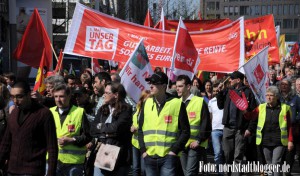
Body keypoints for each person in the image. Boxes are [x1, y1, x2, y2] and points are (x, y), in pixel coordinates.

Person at [0, 81, 58, 175]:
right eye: (12, 97)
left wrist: (50, 173)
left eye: (19, 96)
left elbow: (52, 148)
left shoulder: (44, 113)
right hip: (11, 171)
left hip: (33, 171)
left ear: (28, 95)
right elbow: (5, 144)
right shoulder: (13, 114)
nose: (15, 100)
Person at [138, 72, 190, 176]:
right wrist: (143, 151)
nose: (151, 86)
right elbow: (140, 130)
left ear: (164, 86)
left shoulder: (177, 103)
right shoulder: (147, 103)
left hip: (168, 157)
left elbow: (186, 131)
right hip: (149, 156)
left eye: (154, 83)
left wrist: (174, 151)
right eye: (150, 83)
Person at [244, 86, 294, 176]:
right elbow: (251, 116)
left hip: (279, 141)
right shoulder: (261, 107)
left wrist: (290, 141)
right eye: (267, 95)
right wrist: (244, 111)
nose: (268, 97)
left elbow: (289, 126)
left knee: (276, 163)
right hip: (265, 141)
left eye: (271, 95)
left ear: (276, 97)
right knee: (269, 164)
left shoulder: (285, 108)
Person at [216, 71, 257, 176]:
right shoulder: (228, 91)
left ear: (238, 80)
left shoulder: (248, 92)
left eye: (231, 79)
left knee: (238, 155)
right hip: (228, 128)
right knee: (227, 154)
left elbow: (253, 113)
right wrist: (219, 93)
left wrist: (250, 129)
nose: (229, 80)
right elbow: (220, 106)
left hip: (240, 129)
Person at [50, 83, 91, 175]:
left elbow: (88, 136)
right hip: (53, 161)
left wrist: (72, 140)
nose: (58, 100)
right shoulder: (50, 112)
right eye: (56, 96)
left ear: (69, 96)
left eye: (61, 96)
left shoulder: (79, 112)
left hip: (73, 163)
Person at [94, 82, 132, 176]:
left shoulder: (126, 109)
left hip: (119, 156)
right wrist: (106, 132)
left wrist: (101, 127)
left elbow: (117, 128)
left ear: (116, 95)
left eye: (107, 93)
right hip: (102, 153)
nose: (104, 95)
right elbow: (93, 129)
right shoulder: (103, 109)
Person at [176, 75, 211, 176]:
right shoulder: (176, 103)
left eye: (180, 86)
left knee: (189, 173)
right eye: (177, 86)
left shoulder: (199, 102)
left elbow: (206, 124)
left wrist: (199, 140)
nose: (177, 88)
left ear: (188, 87)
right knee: (186, 172)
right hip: (181, 144)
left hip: (195, 144)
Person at [131, 90, 151, 176]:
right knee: (135, 168)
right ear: (142, 99)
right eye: (147, 99)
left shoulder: (151, 111)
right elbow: (134, 121)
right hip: (135, 142)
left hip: (145, 143)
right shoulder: (137, 109)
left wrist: (138, 128)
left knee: (143, 170)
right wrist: (131, 127)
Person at [208, 83, 224, 176]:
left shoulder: (225, 100)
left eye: (217, 91)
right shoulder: (211, 102)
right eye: (214, 91)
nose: (216, 92)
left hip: (225, 129)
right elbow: (211, 117)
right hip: (215, 130)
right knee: (217, 153)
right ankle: (220, 173)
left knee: (226, 153)